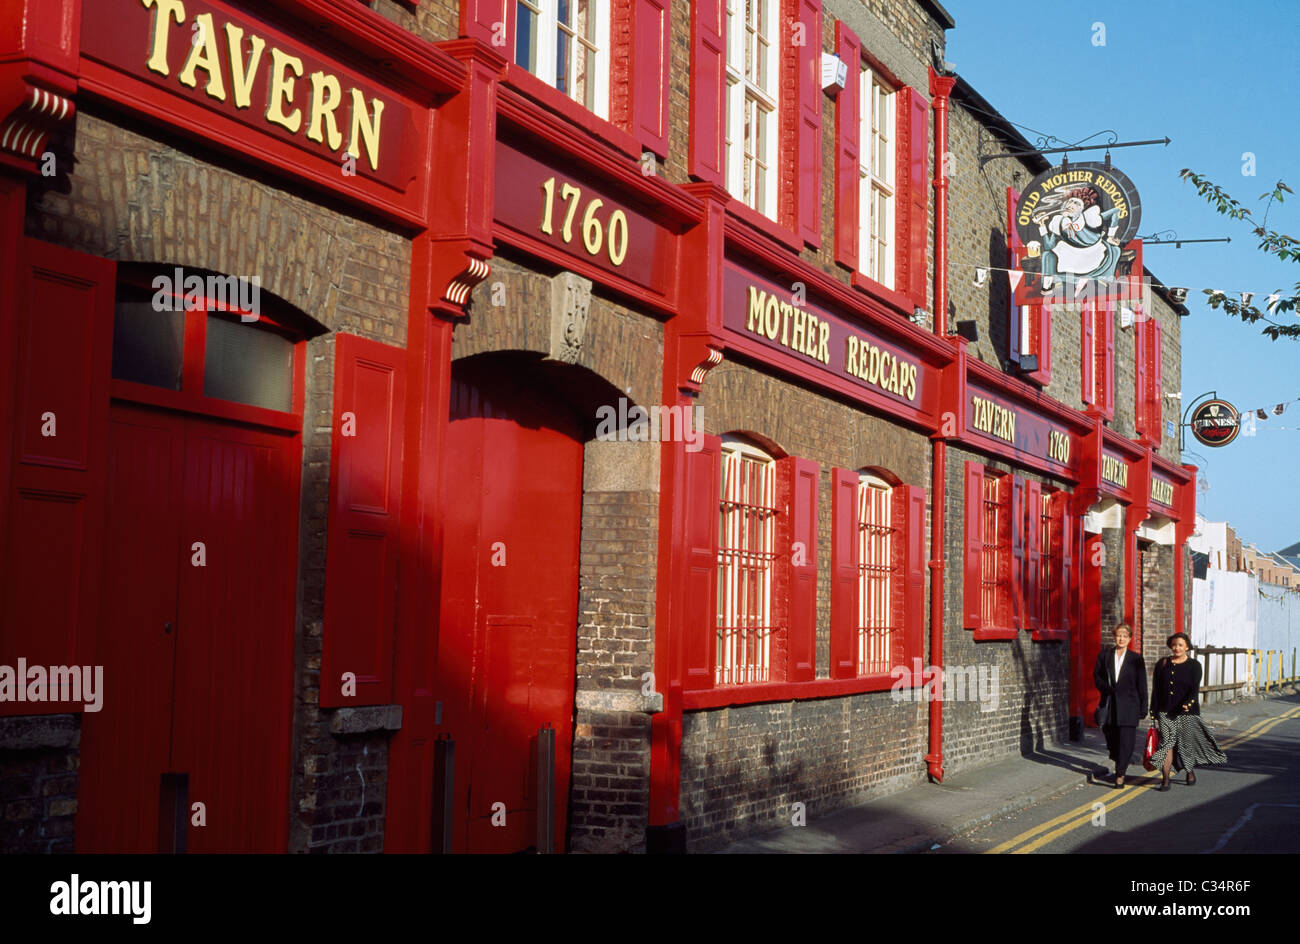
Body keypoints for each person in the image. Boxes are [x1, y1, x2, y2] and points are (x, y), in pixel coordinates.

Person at [1149, 632, 1227, 790]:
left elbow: (1194, 689)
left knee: (1185, 744)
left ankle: (1189, 771)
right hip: (1165, 711)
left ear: (1187, 647)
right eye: (1174, 645)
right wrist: (1153, 710)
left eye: (1180, 645)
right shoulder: (1162, 663)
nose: (1177, 648)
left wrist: (1188, 703)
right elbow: (1156, 689)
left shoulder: (1194, 666)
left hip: (1186, 712)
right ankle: (1165, 778)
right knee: (1166, 744)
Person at [1032, 186, 1123, 291]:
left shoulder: (1089, 217)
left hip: (1093, 252)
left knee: (1116, 250)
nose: (1071, 205)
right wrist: (1042, 225)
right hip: (1071, 254)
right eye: (1070, 202)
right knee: (1047, 254)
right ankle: (1047, 286)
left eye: (1077, 203)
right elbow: (1048, 246)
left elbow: (1116, 211)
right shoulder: (1059, 221)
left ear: (1083, 208)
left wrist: (1111, 236)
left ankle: (1100, 279)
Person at [1092, 623, 1147, 788]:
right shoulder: (1105, 655)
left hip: (1130, 705)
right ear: (1114, 637)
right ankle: (1118, 761)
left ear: (1129, 638)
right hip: (1110, 705)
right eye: (1118, 635)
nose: (1121, 638)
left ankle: (1120, 774)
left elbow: (1142, 684)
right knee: (1112, 740)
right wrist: (1106, 688)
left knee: (1126, 741)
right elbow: (1097, 676)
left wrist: (1144, 707)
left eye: (1125, 636)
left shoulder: (1136, 659)